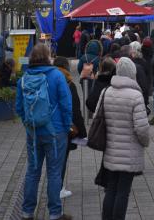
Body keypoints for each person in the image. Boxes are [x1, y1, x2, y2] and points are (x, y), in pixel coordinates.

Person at [16, 44, 73, 220]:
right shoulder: (57, 76)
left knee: (32, 172)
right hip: (56, 132)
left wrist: (29, 124)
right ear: (48, 57)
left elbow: (19, 108)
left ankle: (26, 212)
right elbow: (66, 104)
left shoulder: (24, 79)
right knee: (54, 173)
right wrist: (66, 127)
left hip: (33, 133)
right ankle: (55, 213)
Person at [99, 57, 150, 220]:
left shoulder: (106, 91)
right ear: (132, 73)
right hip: (130, 151)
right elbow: (142, 128)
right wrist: (145, 142)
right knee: (123, 192)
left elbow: (97, 120)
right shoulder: (136, 95)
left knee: (111, 189)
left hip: (111, 149)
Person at [53, 56, 87, 200]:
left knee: (51, 160)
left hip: (47, 126)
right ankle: (58, 188)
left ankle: (53, 187)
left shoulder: (47, 80)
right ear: (66, 67)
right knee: (61, 159)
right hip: (63, 127)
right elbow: (75, 110)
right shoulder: (68, 83)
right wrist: (82, 132)